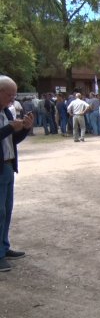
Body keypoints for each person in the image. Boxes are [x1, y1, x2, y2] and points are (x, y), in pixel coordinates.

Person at [0, 75, 34, 272]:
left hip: (8, 165)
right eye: (10, 95)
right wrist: (8, 129)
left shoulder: (6, 112)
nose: (12, 99)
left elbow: (12, 139)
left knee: (7, 209)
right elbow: (4, 133)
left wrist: (24, 129)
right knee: (0, 211)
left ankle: (4, 247)